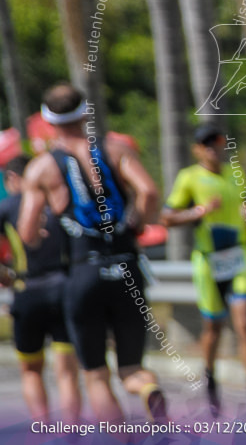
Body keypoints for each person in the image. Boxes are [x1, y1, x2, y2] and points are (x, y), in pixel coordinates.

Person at [18, 83, 168, 423]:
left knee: (96, 375)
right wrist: (136, 226)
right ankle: (146, 389)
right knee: (131, 368)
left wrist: (41, 234)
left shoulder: (42, 167)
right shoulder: (115, 150)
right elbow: (148, 191)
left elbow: (28, 233)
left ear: (47, 120)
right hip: (127, 268)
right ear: (85, 113)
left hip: (83, 274)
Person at [161, 123, 246, 417]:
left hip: (239, 256)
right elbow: (166, 217)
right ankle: (211, 385)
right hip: (208, 260)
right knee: (214, 328)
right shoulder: (189, 178)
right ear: (197, 149)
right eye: (206, 144)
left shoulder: (236, 174)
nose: (212, 148)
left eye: (217, 142)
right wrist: (198, 212)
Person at [0, 154, 81, 422]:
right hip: (64, 288)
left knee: (32, 370)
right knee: (68, 372)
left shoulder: (8, 206)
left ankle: (43, 429)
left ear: (13, 178)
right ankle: (72, 435)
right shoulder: (58, 203)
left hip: (28, 290)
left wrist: (6, 277)